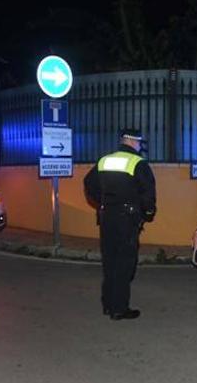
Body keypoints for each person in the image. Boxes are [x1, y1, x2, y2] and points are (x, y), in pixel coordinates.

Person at [84, 129, 156, 320]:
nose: (140, 146)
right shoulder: (137, 163)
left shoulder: (104, 161)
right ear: (132, 142)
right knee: (124, 263)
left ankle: (108, 304)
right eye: (140, 143)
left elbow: (88, 183)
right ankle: (119, 309)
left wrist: (102, 201)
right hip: (127, 219)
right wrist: (147, 212)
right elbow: (148, 193)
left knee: (110, 261)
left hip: (107, 216)